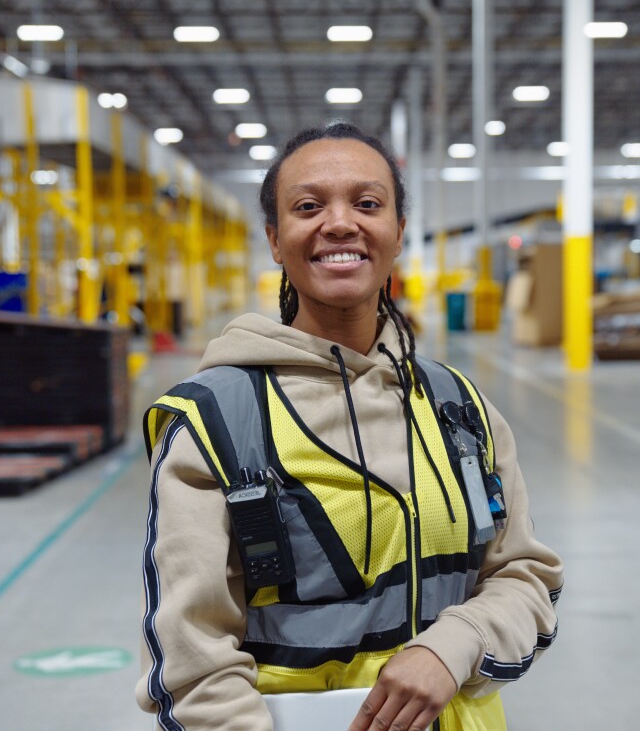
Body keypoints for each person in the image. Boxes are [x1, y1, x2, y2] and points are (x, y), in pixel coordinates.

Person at [137, 122, 563, 731]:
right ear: (275, 240)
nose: (340, 224)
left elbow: (526, 578)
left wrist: (455, 643)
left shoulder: (459, 407)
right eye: (308, 207)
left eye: (367, 204)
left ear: (398, 235)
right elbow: (191, 659)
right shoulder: (213, 422)